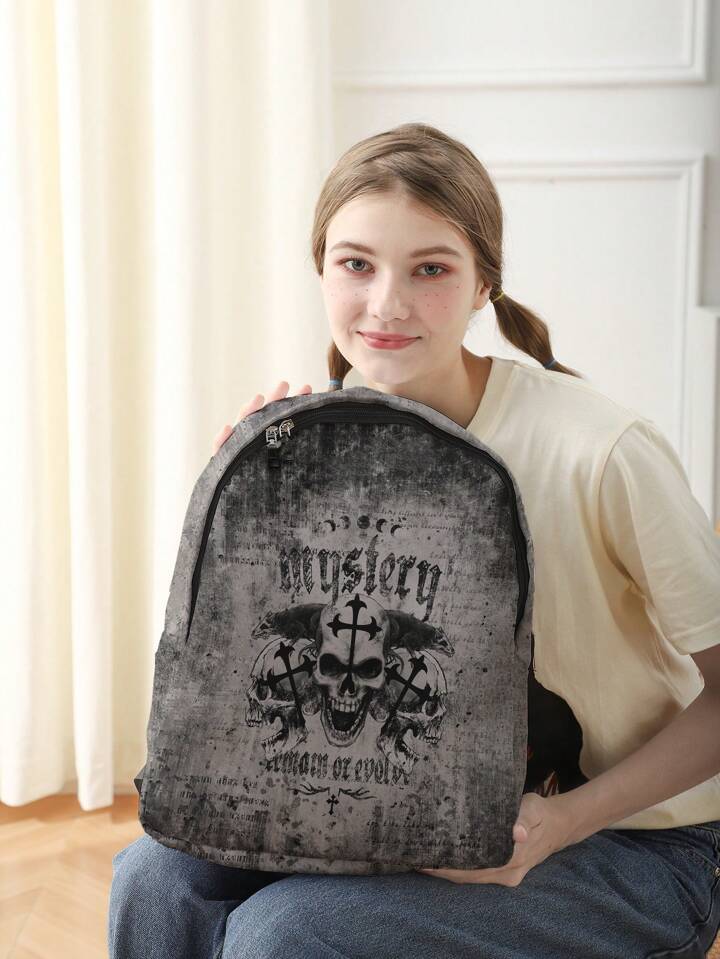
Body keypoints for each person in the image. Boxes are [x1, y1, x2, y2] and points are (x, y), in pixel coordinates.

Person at [108, 122, 720, 958]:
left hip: (646, 845)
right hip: (412, 810)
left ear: (483, 284)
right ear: (321, 269)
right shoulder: (305, 444)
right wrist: (239, 512)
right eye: (356, 264)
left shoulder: (603, 454)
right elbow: (274, 691)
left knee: (283, 935)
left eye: (430, 269)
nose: (387, 304)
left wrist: (560, 821)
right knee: (153, 877)